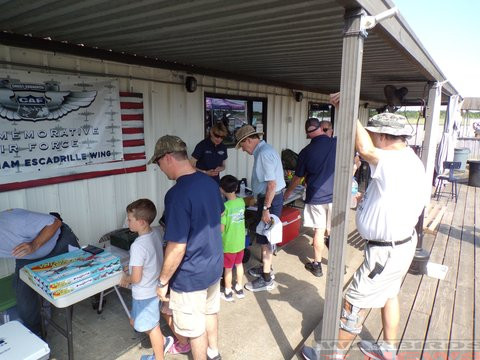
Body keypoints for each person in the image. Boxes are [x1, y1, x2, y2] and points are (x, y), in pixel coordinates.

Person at [302, 112, 426, 360]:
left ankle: (329, 356)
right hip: (400, 246)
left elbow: (366, 150)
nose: (368, 136)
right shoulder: (409, 159)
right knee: (390, 295)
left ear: (382, 135)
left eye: (372, 133)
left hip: (386, 252)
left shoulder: (393, 161)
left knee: (352, 303)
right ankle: (389, 351)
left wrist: (349, 110)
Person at [148, 135, 224, 360]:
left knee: (194, 329)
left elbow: (177, 246)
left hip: (190, 275)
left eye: (159, 163)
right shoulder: (209, 183)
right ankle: (214, 353)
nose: (160, 169)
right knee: (210, 312)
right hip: (213, 266)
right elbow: (219, 222)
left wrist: (162, 282)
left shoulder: (177, 194)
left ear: (168, 157)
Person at [0, 208, 80, 334]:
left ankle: (96, 299)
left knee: (77, 282)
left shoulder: (13, 221)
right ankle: (39, 337)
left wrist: (34, 245)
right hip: (28, 257)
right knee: (24, 298)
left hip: (58, 242)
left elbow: (55, 222)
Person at [119, 199, 174, 360]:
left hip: (144, 294)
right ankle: (163, 342)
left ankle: (159, 356)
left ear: (141, 222)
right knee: (136, 321)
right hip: (154, 288)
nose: (127, 222)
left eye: (130, 219)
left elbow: (136, 278)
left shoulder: (137, 246)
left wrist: (125, 279)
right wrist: (132, 265)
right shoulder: (155, 233)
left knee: (151, 328)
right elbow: (152, 258)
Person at [235, 125, 286, 292]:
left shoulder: (263, 154)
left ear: (249, 140)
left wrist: (265, 207)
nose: (243, 150)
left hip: (270, 200)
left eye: (242, 146)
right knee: (264, 236)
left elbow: (272, 184)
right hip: (269, 198)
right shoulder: (265, 150)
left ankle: (266, 279)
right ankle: (266, 267)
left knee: (265, 239)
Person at [284, 118, 336, 277]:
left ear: (307, 134)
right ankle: (336, 261)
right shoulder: (336, 143)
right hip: (335, 195)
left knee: (318, 230)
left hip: (316, 197)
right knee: (332, 229)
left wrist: (287, 193)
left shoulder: (306, 152)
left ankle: (317, 265)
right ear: (322, 128)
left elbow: (297, 177)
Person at [219, 175, 246, 301]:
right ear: (236, 188)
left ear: (221, 189)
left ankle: (228, 291)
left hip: (229, 244)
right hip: (240, 242)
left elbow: (222, 229)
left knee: (228, 269)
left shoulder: (225, 207)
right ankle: (239, 288)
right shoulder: (241, 202)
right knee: (239, 265)